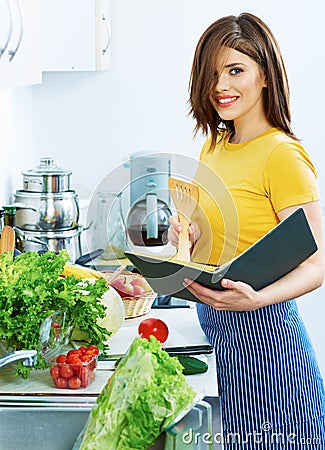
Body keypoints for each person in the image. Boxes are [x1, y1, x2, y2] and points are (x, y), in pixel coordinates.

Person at [168, 12, 325, 449]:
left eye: (236, 70)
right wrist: (190, 234)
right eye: (213, 73)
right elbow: (218, 230)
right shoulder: (215, 144)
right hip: (218, 327)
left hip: (268, 338)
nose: (222, 86)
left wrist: (257, 298)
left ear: (265, 77)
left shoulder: (282, 156)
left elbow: (316, 264)